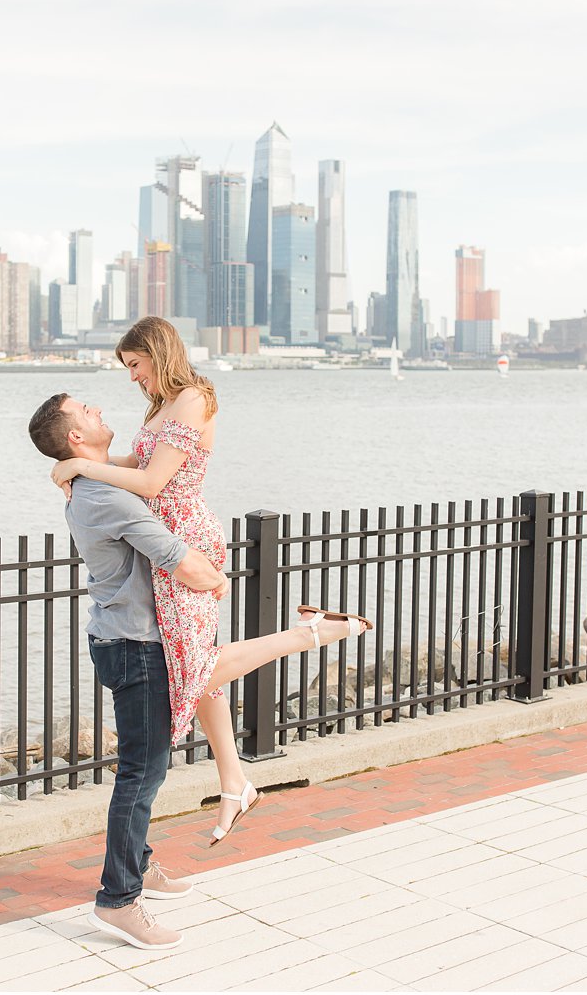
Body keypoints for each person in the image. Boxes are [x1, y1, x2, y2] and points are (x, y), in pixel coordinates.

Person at [28, 391, 371, 949]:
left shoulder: (90, 484)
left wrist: (81, 467)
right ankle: (117, 900)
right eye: (87, 410)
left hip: (128, 637)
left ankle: (139, 865)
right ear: (74, 436)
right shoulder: (105, 497)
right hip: (137, 646)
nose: (98, 409)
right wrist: (213, 578)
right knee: (143, 774)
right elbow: (175, 556)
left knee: (152, 756)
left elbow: (148, 479)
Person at [45, 317, 371, 848]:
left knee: (192, 664)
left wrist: (81, 469)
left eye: (134, 365)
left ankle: (313, 634)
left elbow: (153, 482)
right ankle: (235, 782)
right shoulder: (163, 405)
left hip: (184, 536)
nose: (131, 378)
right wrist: (74, 466)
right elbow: (136, 462)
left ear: (155, 353)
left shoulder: (193, 398)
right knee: (197, 666)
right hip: (163, 534)